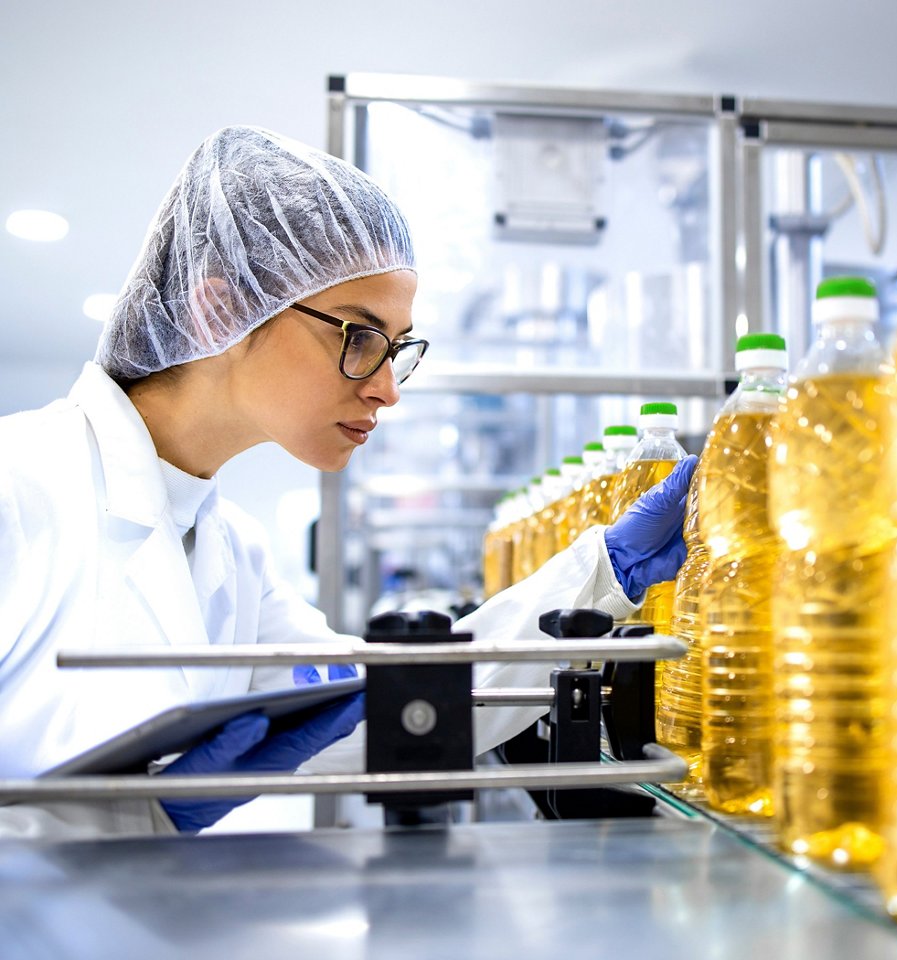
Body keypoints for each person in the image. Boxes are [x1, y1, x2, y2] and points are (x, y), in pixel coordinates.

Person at [0, 126, 695, 838]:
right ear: (221, 310)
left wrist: (604, 571)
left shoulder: (229, 549)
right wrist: (123, 821)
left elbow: (391, 711)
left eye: (397, 349)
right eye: (359, 336)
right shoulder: (18, 487)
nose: (389, 390)